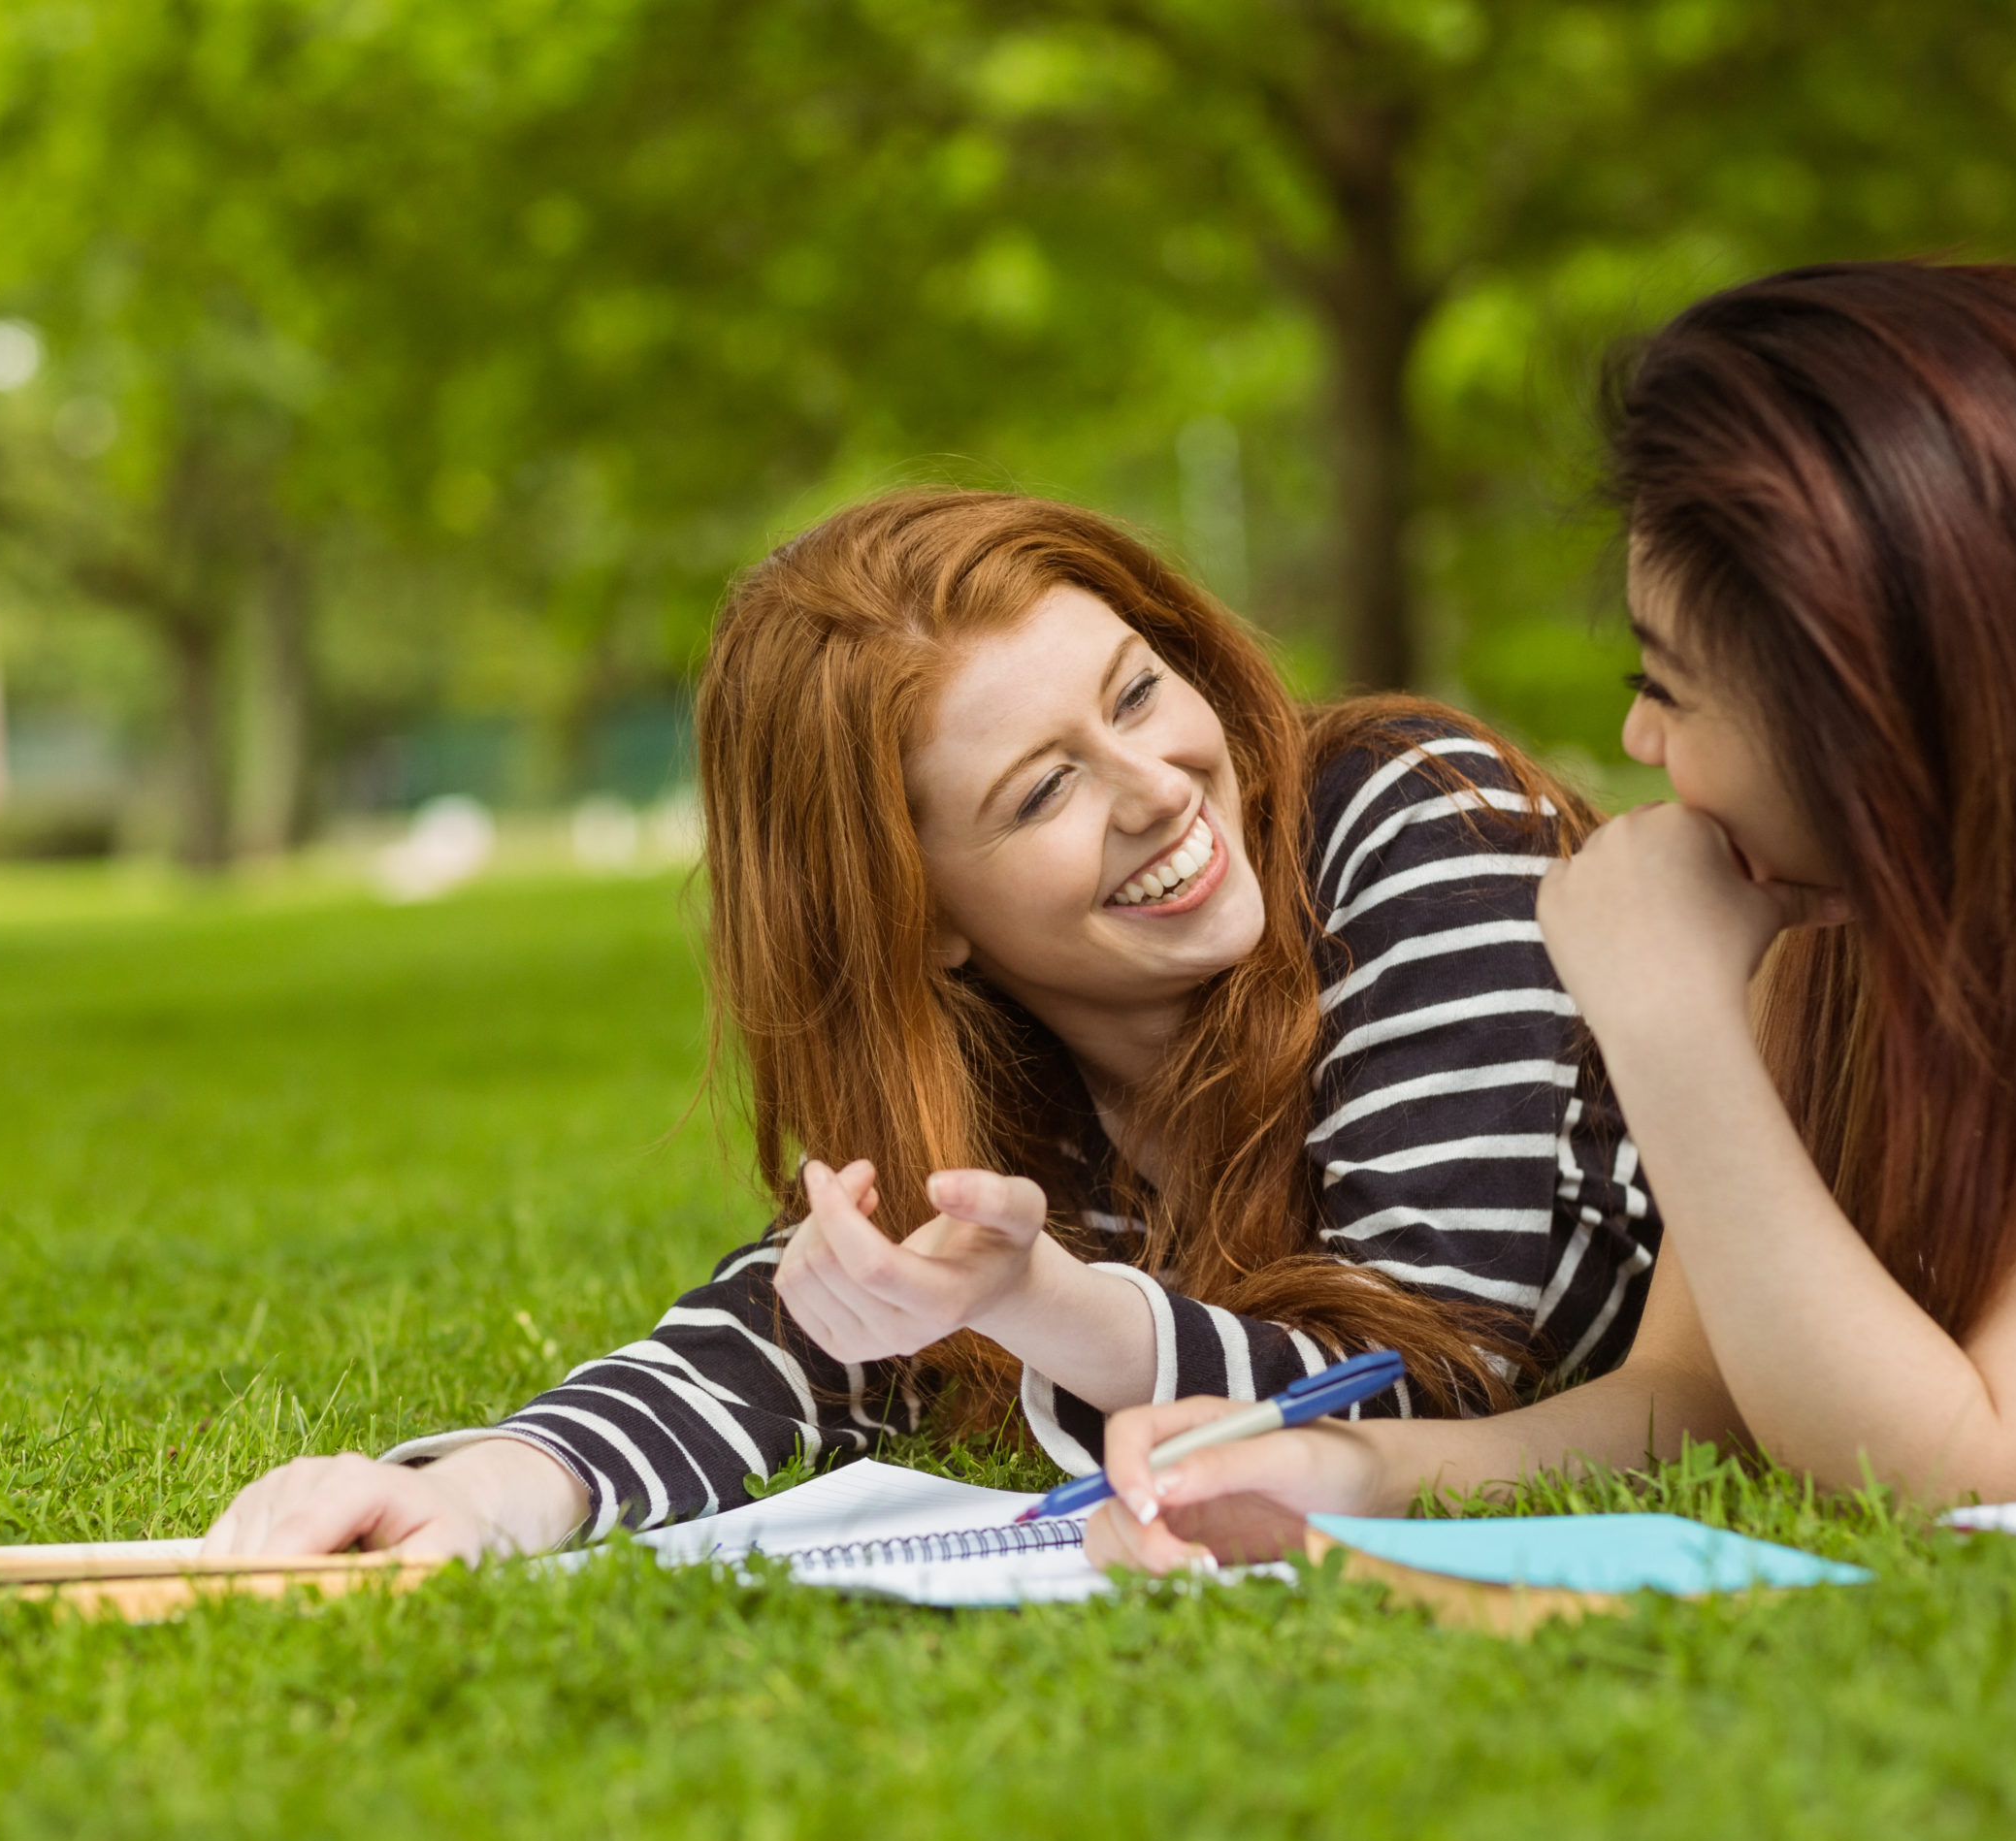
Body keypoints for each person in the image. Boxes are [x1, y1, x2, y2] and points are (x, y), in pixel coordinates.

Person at [1086, 261, 2016, 1574]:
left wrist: (1668, 1020)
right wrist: (1353, 1466)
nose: (1634, 738)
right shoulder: (1839, 923)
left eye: (1670, 688)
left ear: (1888, 724)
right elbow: (1703, 1399)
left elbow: (1971, 1475)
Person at [202, 488, 1660, 1563]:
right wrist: (494, 1486)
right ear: (925, 917)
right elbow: (790, 1337)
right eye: (1041, 791)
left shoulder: (1412, 819)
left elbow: (1449, 1367)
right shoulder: (1004, 1075)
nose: (1156, 784)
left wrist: (1044, 1306)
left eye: (1141, 692)